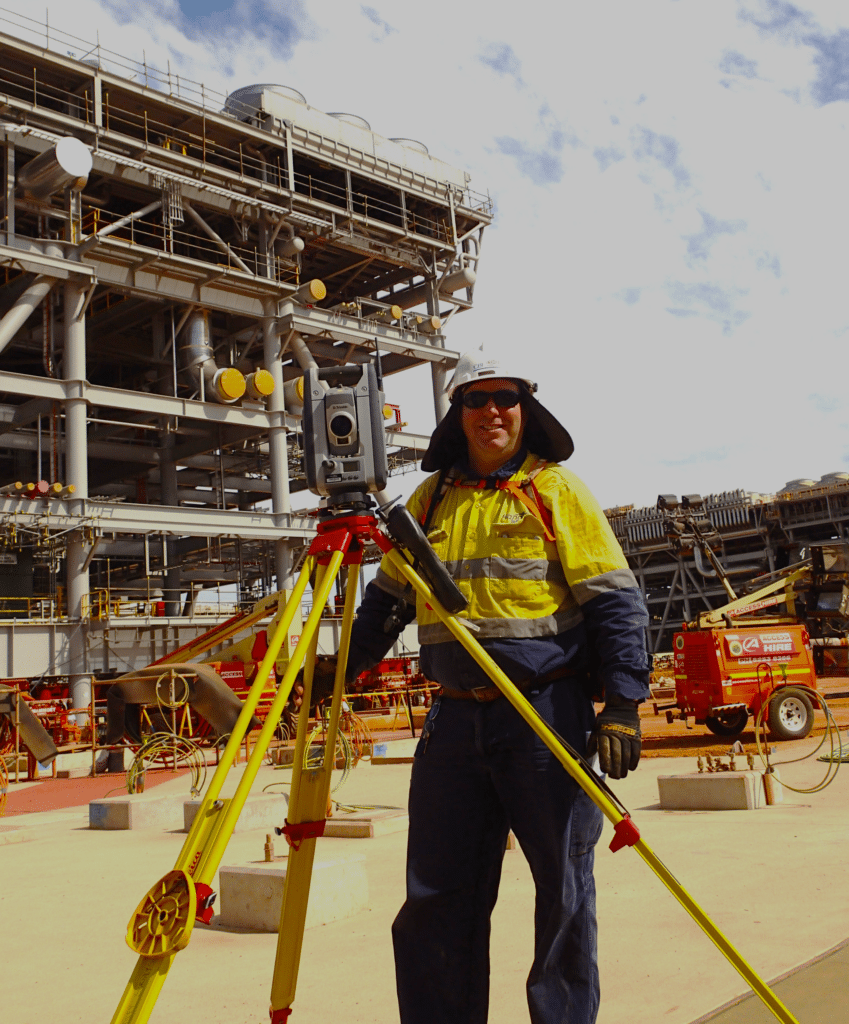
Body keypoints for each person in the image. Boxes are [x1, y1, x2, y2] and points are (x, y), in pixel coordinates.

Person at [345, 352, 650, 1024]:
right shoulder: (427, 502)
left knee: (564, 895)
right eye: (476, 400)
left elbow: (613, 603)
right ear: (457, 413)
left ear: (525, 408)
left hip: (545, 718)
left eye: (505, 399)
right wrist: (338, 672)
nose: (492, 412)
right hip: (453, 726)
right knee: (435, 899)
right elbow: (385, 604)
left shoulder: (556, 491)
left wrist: (623, 704)